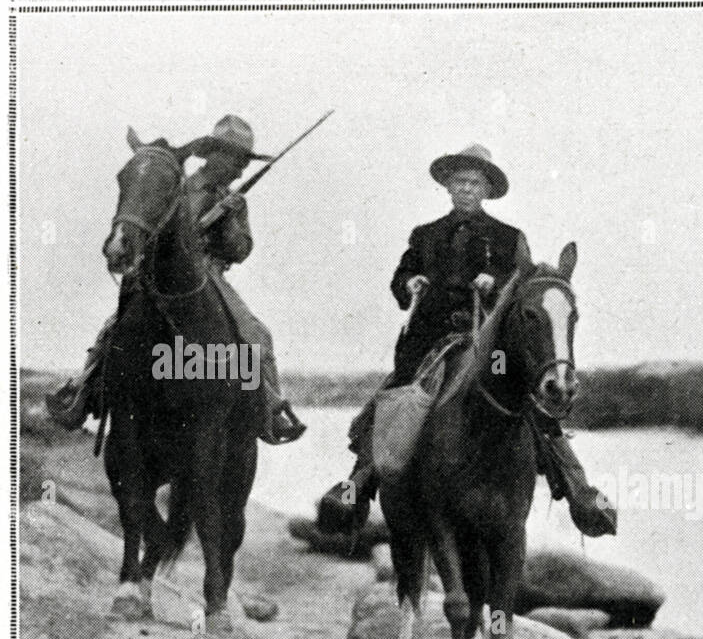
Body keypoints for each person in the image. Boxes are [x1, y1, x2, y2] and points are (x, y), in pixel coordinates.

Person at [316, 144, 614, 537]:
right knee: (395, 398)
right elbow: (400, 278)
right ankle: (358, 481)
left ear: (487, 190)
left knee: (526, 395)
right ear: (448, 187)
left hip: (486, 343)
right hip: (429, 339)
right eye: (459, 182)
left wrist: (499, 284)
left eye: (475, 183)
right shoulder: (425, 235)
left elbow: (525, 292)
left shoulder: (510, 239)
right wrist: (410, 283)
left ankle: (580, 490)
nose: (467, 189)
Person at [45, 115, 306, 445]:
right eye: (236, 159)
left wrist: (228, 220)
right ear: (214, 155)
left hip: (210, 274)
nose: (240, 170)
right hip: (164, 272)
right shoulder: (175, 185)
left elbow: (241, 250)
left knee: (256, 335)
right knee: (111, 330)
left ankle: (270, 410)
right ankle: (80, 393)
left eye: (244, 162)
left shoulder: (235, 200)